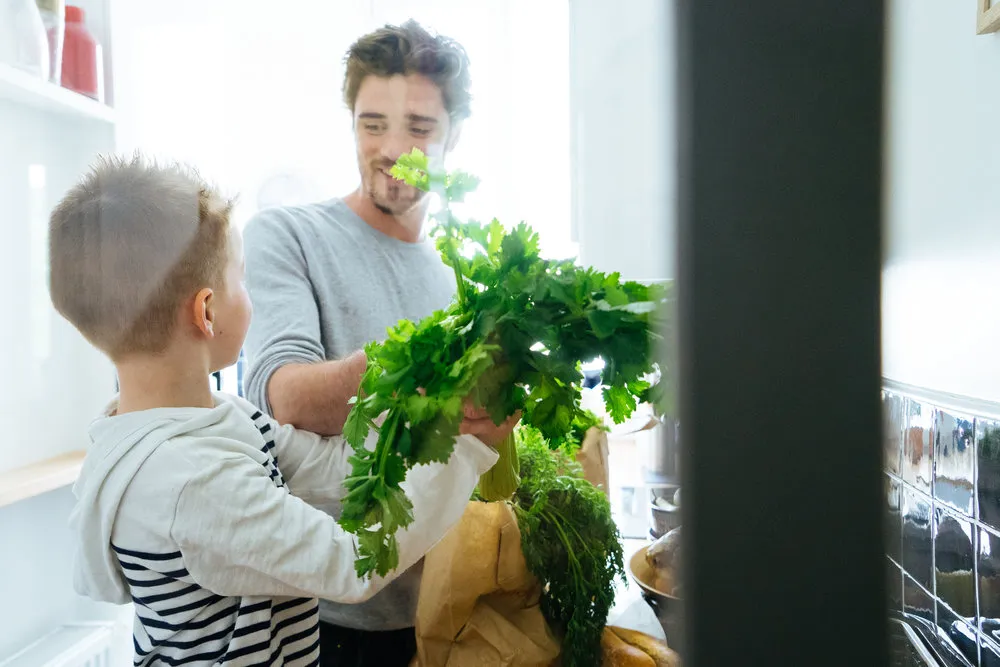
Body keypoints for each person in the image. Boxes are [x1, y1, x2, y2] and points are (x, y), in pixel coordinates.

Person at [48, 155, 512, 666]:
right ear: (206, 312)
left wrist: (431, 415)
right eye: (240, 280)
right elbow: (348, 565)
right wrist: (468, 446)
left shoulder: (215, 419)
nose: (249, 295)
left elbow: (332, 468)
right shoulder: (188, 480)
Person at [241, 19, 488, 666]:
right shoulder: (287, 236)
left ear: (453, 134)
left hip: (440, 614)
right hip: (320, 619)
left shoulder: (463, 286)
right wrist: (421, 372)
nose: (392, 147)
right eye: (372, 123)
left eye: (419, 128)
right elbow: (284, 398)